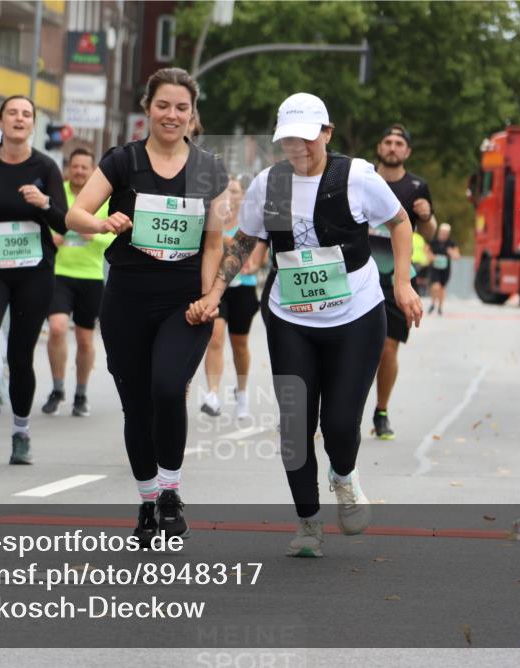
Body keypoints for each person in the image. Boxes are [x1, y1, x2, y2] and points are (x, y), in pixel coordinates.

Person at [188, 93, 422, 557]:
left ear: (327, 133)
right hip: (290, 317)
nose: (299, 147)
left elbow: (399, 222)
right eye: (289, 139)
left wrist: (402, 281)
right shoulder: (269, 183)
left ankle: (344, 475)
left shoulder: (356, 177)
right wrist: (214, 293)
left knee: (339, 424)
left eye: (308, 137)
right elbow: (245, 239)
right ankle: (308, 522)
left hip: (356, 314)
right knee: (295, 427)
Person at [66, 67, 229, 544]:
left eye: (181, 107)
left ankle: (170, 493)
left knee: (168, 387)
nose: (171, 115)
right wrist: (102, 224)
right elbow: (75, 213)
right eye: (163, 106)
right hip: (128, 299)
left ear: (192, 114)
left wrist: (208, 298)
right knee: (137, 407)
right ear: (147, 109)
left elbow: (215, 244)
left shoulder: (210, 169)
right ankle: (146, 501)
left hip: (183, 300)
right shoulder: (123, 160)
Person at [0, 95, 67, 465]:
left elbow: (63, 221)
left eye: (26, 114)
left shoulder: (46, 167)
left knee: (20, 356)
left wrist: (44, 203)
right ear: (1, 122)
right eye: (12, 113)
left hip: (34, 271)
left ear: (33, 124)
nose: (19, 119)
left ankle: (21, 434)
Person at [370, 124, 437, 440]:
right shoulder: (362, 179)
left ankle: (381, 411)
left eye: (399, 143)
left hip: (395, 279)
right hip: (356, 274)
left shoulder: (417, 187)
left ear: (407, 151)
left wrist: (427, 215)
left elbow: (430, 233)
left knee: (388, 347)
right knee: (347, 346)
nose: (393, 147)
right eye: (388, 141)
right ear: (379, 148)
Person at [41, 148, 114, 417]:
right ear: (68, 168)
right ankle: (57, 389)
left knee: (85, 340)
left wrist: (95, 235)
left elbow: (115, 234)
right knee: (57, 328)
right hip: (59, 273)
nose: (80, 171)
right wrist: (50, 238)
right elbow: (41, 222)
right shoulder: (57, 193)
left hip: (91, 276)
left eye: (85, 167)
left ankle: (80, 394)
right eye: (76, 166)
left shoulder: (102, 197)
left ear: (93, 170)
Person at [199, 177, 268, 419]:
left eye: (235, 190)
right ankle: (213, 395)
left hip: (243, 288)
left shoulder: (250, 223)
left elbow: (256, 259)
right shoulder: (213, 218)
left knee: (239, 345)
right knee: (215, 337)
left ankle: (242, 392)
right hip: (216, 289)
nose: (229, 193)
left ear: (243, 196)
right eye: (225, 189)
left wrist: (251, 264)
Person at [428, 223, 461, 315]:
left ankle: (440, 307)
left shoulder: (451, 244)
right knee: (435, 286)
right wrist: (432, 257)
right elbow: (427, 251)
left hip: (445, 269)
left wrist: (451, 253)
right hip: (435, 268)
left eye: (446, 233)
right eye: (442, 232)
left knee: (442, 288)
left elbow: (457, 256)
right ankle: (433, 303)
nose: (444, 234)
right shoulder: (433, 242)